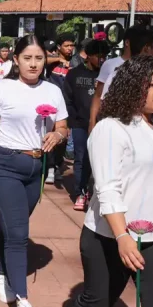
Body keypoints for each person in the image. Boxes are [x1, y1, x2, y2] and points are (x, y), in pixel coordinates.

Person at [39, 55, 153, 307]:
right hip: (108, 236)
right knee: (96, 303)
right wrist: (122, 237)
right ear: (133, 87)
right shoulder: (110, 128)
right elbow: (107, 189)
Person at [0, 35, 69, 307]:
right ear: (16, 60)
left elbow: (63, 125)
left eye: (38, 58)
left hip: (36, 167)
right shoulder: (0, 89)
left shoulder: (53, 90)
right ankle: (22, 300)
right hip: (3, 165)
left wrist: (58, 135)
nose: (33, 64)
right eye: (27, 58)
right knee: (20, 234)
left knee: (12, 225)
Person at [61, 39, 110, 211]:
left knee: (101, 159)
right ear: (88, 56)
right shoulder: (74, 74)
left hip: (103, 125)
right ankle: (80, 192)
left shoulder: (109, 74)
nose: (101, 60)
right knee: (81, 158)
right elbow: (67, 99)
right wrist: (70, 122)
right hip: (80, 124)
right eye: (98, 56)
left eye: (104, 56)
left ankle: (96, 193)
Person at [87, 26, 148, 132]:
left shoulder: (146, 67)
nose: (143, 47)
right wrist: (92, 123)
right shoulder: (109, 65)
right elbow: (98, 96)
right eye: (139, 42)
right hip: (111, 124)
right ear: (127, 43)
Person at [44, 33, 76, 187]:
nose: (70, 49)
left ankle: (57, 166)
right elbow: (42, 60)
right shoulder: (52, 62)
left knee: (63, 139)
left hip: (68, 107)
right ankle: (49, 168)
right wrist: (58, 59)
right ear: (59, 47)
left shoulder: (75, 63)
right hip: (50, 106)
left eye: (72, 46)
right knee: (49, 135)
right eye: (66, 46)